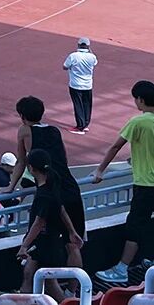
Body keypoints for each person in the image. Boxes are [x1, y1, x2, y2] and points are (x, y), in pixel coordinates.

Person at [9, 95, 85, 268]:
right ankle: (75, 284)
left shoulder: (24, 130)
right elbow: (64, 159)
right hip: (70, 187)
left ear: (22, 116)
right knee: (73, 244)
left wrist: (10, 186)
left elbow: (21, 161)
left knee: (39, 246)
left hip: (50, 192)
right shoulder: (55, 130)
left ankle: (41, 281)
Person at [92, 79, 154, 285]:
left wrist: (100, 170)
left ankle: (122, 269)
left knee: (135, 226)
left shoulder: (138, 122)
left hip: (146, 184)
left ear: (141, 100)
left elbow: (115, 146)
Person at [19, 149, 83, 299]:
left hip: (44, 244)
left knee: (48, 281)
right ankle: (25, 299)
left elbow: (39, 222)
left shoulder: (43, 195)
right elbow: (61, 210)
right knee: (30, 274)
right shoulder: (53, 187)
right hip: (49, 242)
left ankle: (64, 302)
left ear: (31, 168)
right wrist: (72, 231)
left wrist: (24, 245)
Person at [64, 36, 98, 133]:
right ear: (88, 46)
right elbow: (95, 63)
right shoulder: (92, 57)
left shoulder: (73, 56)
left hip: (75, 85)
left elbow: (65, 66)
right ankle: (85, 124)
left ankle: (80, 126)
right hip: (87, 85)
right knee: (87, 104)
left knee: (78, 105)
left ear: (78, 45)